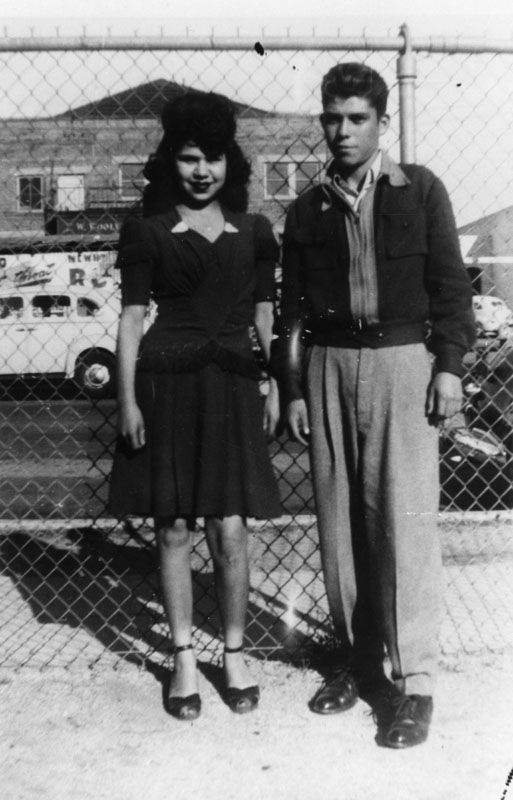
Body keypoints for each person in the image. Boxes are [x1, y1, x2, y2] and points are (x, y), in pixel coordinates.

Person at [273, 62, 475, 748]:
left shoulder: (418, 191)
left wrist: (447, 367)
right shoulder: (306, 208)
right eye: (332, 118)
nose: (342, 130)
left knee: (405, 525)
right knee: (339, 526)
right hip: (328, 366)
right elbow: (291, 312)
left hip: (401, 364)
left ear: (380, 123)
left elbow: (450, 288)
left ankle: (414, 682)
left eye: (357, 118)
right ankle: (360, 664)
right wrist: (290, 385)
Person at [109, 91, 282, 721]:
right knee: (174, 526)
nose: (202, 170)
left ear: (230, 162)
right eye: (188, 158)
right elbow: (131, 319)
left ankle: (233, 653)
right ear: (170, 162)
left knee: (229, 528)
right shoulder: (148, 230)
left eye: (213, 157)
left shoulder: (255, 231)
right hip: (167, 386)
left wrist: (281, 387)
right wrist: (127, 400)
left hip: (233, 388)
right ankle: (183, 658)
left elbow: (265, 315)